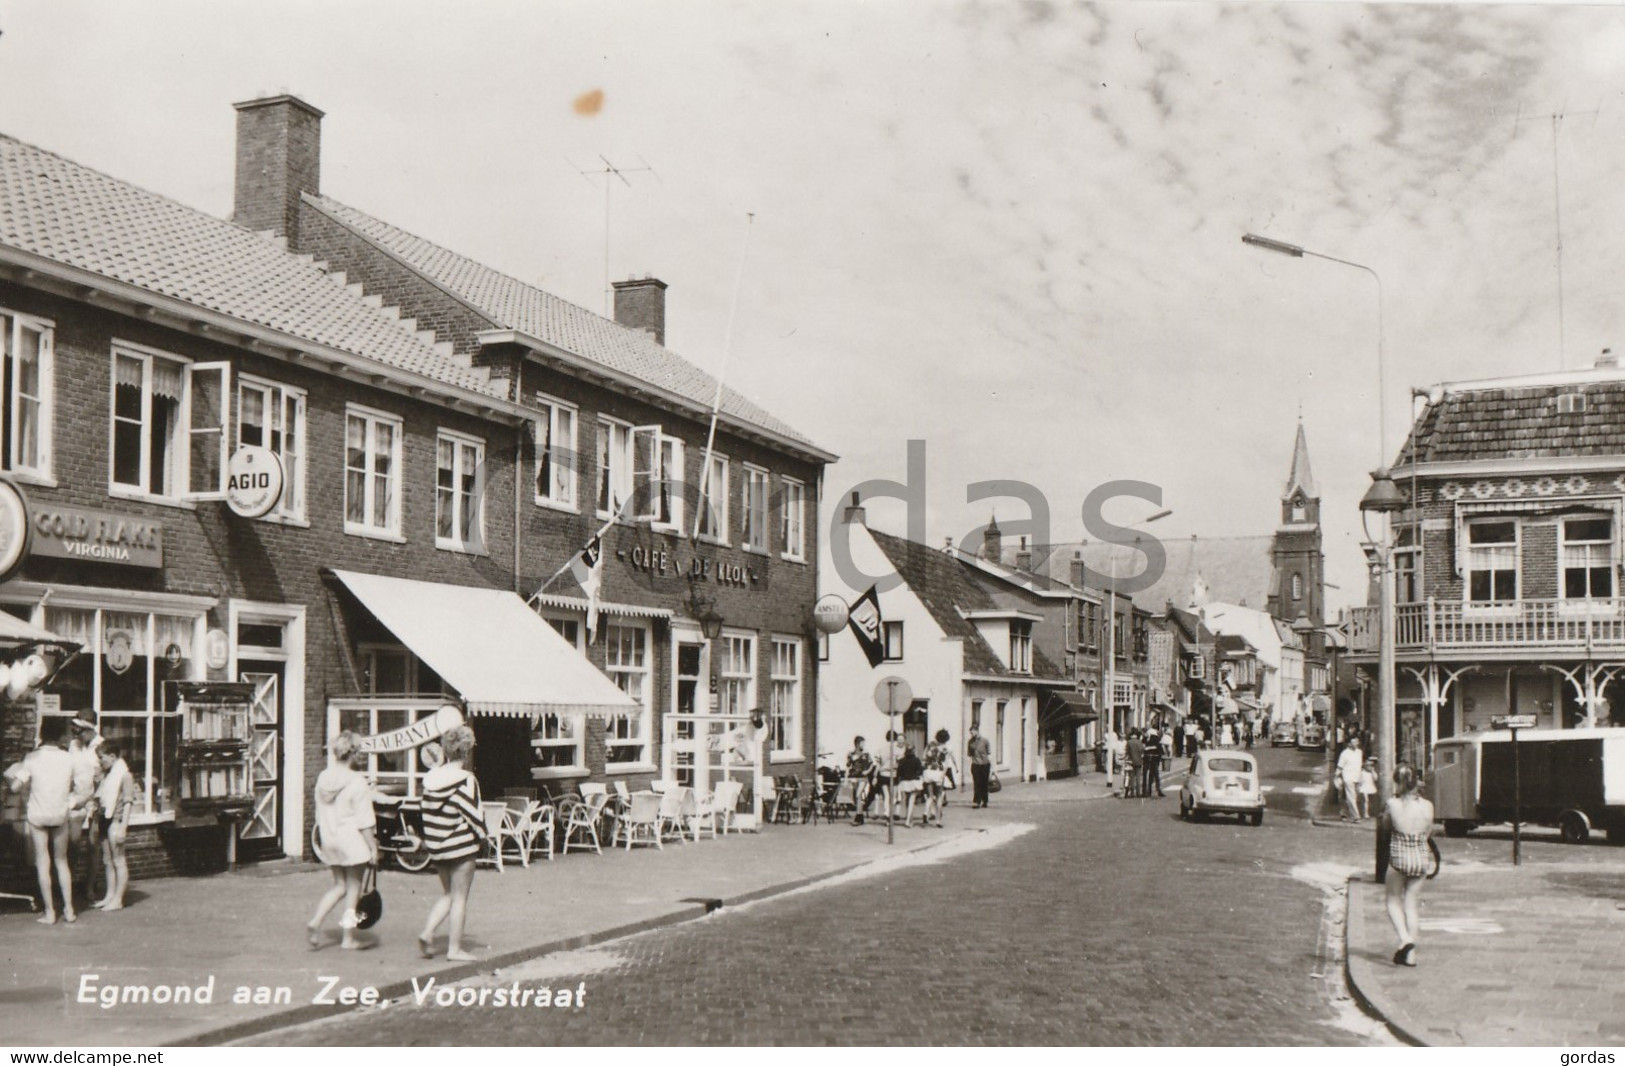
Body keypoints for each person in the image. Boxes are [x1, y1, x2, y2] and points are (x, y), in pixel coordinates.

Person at [418, 726, 487, 962]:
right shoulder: (466, 780)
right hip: (461, 847)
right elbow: (474, 815)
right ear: (466, 751)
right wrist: (484, 837)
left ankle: (428, 932)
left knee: (448, 893)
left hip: (437, 847)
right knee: (460, 898)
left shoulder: (430, 780)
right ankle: (454, 949)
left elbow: (425, 812)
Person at [307, 732, 378, 950]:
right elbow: (365, 821)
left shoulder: (323, 778)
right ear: (354, 754)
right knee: (353, 888)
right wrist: (373, 847)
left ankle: (316, 921)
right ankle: (348, 938)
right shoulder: (358, 782)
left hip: (330, 839)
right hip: (352, 841)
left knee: (339, 886)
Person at [14, 718, 77, 924]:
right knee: (61, 861)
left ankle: (50, 912)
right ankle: (69, 910)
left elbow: (16, 786)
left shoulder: (32, 758)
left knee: (43, 861)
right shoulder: (69, 758)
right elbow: (80, 785)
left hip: (38, 814)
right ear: (61, 735)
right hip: (59, 813)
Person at [1383, 764, 1435, 967]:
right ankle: (1411, 956)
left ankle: (1405, 939)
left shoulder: (1392, 804)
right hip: (1421, 857)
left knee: (1393, 900)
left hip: (1399, 857)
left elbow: (1386, 828)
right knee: (1411, 904)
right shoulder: (1428, 806)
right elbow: (1428, 831)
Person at [91, 741, 135, 911]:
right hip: (104, 818)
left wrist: (123, 826)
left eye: (101, 758)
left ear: (112, 756)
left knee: (118, 860)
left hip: (115, 820)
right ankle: (109, 895)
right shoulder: (107, 775)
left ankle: (118, 899)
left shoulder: (125, 775)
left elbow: (128, 802)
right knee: (107, 860)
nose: (100, 762)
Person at [67, 718, 102, 905]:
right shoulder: (74, 745)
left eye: (79, 731)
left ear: (89, 730)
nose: (76, 735)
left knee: (92, 845)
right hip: (75, 800)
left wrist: (94, 801)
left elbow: (101, 778)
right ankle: (69, 886)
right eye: (74, 731)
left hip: (94, 801)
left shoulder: (100, 746)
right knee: (72, 843)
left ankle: (90, 887)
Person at [853, 730, 901, 824]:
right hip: (893, 775)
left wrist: (875, 776)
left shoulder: (881, 749)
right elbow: (899, 764)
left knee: (886, 796)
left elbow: (878, 763)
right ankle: (888, 816)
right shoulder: (897, 750)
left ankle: (886, 812)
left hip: (883, 774)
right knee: (892, 796)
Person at [921, 729, 955, 826]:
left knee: (930, 796)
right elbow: (946, 764)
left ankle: (925, 812)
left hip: (928, 771)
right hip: (939, 772)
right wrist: (943, 775)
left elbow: (923, 757)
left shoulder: (930, 745)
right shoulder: (946, 749)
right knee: (939, 797)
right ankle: (938, 821)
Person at [846, 736, 876, 824]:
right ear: (857, 744)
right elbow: (848, 766)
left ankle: (858, 817)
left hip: (863, 777)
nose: (864, 745)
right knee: (856, 796)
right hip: (854, 777)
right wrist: (846, 777)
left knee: (858, 795)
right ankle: (860, 816)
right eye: (862, 743)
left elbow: (871, 764)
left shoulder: (866, 754)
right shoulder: (851, 754)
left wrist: (867, 771)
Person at [896, 745, 925, 826]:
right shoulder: (916, 760)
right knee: (912, 800)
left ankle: (908, 817)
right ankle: (908, 820)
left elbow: (899, 773)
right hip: (914, 782)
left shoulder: (901, 760)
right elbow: (920, 771)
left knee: (907, 799)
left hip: (904, 782)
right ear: (913, 751)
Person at [1336, 738, 1364, 821]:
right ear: (1349, 744)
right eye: (1353, 742)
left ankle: (1343, 813)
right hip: (1348, 777)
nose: (1356, 744)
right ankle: (1356, 817)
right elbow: (1340, 767)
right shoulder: (1344, 754)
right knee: (1351, 797)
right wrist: (1336, 776)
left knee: (1353, 797)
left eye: (1357, 742)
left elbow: (1360, 765)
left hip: (1358, 778)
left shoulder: (1359, 752)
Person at [967, 726, 993, 808]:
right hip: (975, 764)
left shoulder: (985, 741)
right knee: (977, 783)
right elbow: (969, 755)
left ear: (977, 731)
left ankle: (985, 800)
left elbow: (989, 753)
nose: (971, 734)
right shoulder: (970, 742)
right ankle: (976, 801)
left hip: (985, 764)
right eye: (970, 733)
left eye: (972, 732)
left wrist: (992, 768)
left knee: (984, 783)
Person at [1142, 726, 1165, 797]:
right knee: (1156, 776)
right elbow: (1161, 753)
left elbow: (1144, 751)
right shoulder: (1158, 743)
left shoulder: (1147, 743)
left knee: (1145, 775)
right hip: (1154, 762)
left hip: (1146, 761)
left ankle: (1144, 791)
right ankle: (1158, 790)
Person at [1123, 729, 1143, 798]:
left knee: (1132, 777)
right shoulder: (1139, 742)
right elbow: (1141, 750)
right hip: (1139, 761)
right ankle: (1138, 792)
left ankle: (1132, 793)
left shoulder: (1129, 742)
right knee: (1138, 777)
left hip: (1131, 761)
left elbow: (1127, 752)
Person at [1359, 756, 1379, 821]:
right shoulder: (1362, 772)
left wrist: (1373, 771)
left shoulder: (1372, 773)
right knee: (1365, 801)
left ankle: (1371, 812)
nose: (1370, 767)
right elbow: (1360, 780)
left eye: (1371, 765)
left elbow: (1375, 778)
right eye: (1368, 765)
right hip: (1364, 787)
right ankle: (1365, 813)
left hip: (1371, 787)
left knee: (1371, 801)